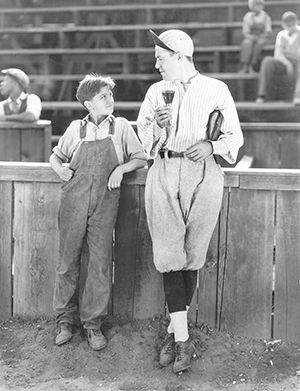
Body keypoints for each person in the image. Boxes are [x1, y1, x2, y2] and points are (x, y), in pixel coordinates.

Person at [137, 29, 243, 374]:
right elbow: (144, 142)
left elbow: (234, 137)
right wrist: (157, 124)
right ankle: (183, 339)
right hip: (164, 168)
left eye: (161, 58)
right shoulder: (156, 92)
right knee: (170, 256)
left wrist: (212, 146)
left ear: (180, 56)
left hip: (203, 172)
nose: (156, 65)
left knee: (192, 254)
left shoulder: (216, 89)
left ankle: (174, 331)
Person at [50, 74, 147, 350]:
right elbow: (55, 156)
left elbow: (140, 158)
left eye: (110, 94)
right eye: (103, 96)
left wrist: (120, 168)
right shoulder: (74, 129)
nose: (110, 99)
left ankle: (92, 325)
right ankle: (65, 321)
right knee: (68, 261)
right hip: (74, 201)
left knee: (100, 263)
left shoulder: (122, 127)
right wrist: (60, 169)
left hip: (105, 202)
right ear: (88, 103)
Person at [256, 11, 300, 103]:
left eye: (292, 23)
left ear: (296, 22)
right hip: (284, 62)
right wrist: (287, 63)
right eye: (288, 24)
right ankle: (262, 94)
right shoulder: (281, 35)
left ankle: (297, 95)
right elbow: (278, 54)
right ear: (284, 24)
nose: (290, 26)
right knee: (267, 61)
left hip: (298, 61)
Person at [239, 0, 272, 73]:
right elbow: (245, 32)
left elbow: (268, 31)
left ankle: (252, 65)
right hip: (251, 37)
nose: (258, 7)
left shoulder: (266, 17)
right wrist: (250, 37)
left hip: (262, 37)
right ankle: (245, 65)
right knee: (247, 43)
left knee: (259, 43)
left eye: (259, 5)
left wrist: (260, 36)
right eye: (256, 5)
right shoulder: (247, 17)